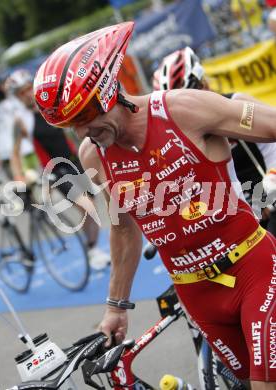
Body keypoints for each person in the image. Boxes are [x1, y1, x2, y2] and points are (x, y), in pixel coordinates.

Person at [34, 22, 276, 388]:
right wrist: (116, 306)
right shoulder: (93, 155)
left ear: (109, 91)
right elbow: (122, 227)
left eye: (83, 117)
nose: (81, 132)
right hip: (196, 293)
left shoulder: (185, 109)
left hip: (251, 271)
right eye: (70, 124)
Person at [152, 46, 276, 236]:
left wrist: (269, 187)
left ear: (204, 84)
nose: (184, 114)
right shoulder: (172, 134)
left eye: (189, 101)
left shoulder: (237, 105)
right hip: (233, 211)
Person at [6, 69, 110, 270]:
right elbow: (15, 152)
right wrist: (19, 175)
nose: (27, 94)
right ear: (17, 98)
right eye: (21, 93)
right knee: (87, 205)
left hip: (75, 160)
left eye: (29, 89)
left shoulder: (51, 105)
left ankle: (92, 248)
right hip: (55, 170)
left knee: (91, 205)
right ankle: (93, 251)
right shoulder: (21, 120)